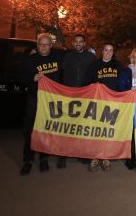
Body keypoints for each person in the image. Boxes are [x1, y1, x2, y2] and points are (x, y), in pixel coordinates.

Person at [16, 33, 64, 176]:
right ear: (37, 46)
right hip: (34, 99)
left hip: (51, 100)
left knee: (46, 129)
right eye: (40, 44)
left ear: (51, 45)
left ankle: (44, 158)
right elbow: (18, 76)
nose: (43, 47)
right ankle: (28, 160)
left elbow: (74, 58)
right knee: (31, 129)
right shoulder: (30, 60)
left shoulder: (58, 57)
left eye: (46, 44)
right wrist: (32, 78)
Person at [86, 43, 127, 172]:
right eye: (106, 50)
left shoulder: (118, 66)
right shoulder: (95, 65)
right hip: (97, 103)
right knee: (96, 130)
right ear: (102, 51)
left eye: (111, 50)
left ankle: (105, 157)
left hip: (112, 103)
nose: (108, 53)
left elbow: (125, 79)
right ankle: (94, 157)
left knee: (108, 131)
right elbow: (86, 83)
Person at [57, 33, 95, 169]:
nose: (78, 43)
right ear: (73, 43)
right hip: (69, 95)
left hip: (85, 95)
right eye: (76, 41)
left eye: (81, 41)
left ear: (84, 43)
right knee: (66, 125)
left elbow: (95, 74)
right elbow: (59, 73)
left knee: (82, 126)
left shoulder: (90, 57)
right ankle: (62, 155)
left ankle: (82, 154)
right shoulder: (67, 56)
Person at [119, 47, 136, 170]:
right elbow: (121, 86)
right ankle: (131, 158)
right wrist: (129, 89)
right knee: (130, 132)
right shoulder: (126, 71)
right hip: (130, 106)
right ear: (132, 58)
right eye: (135, 57)